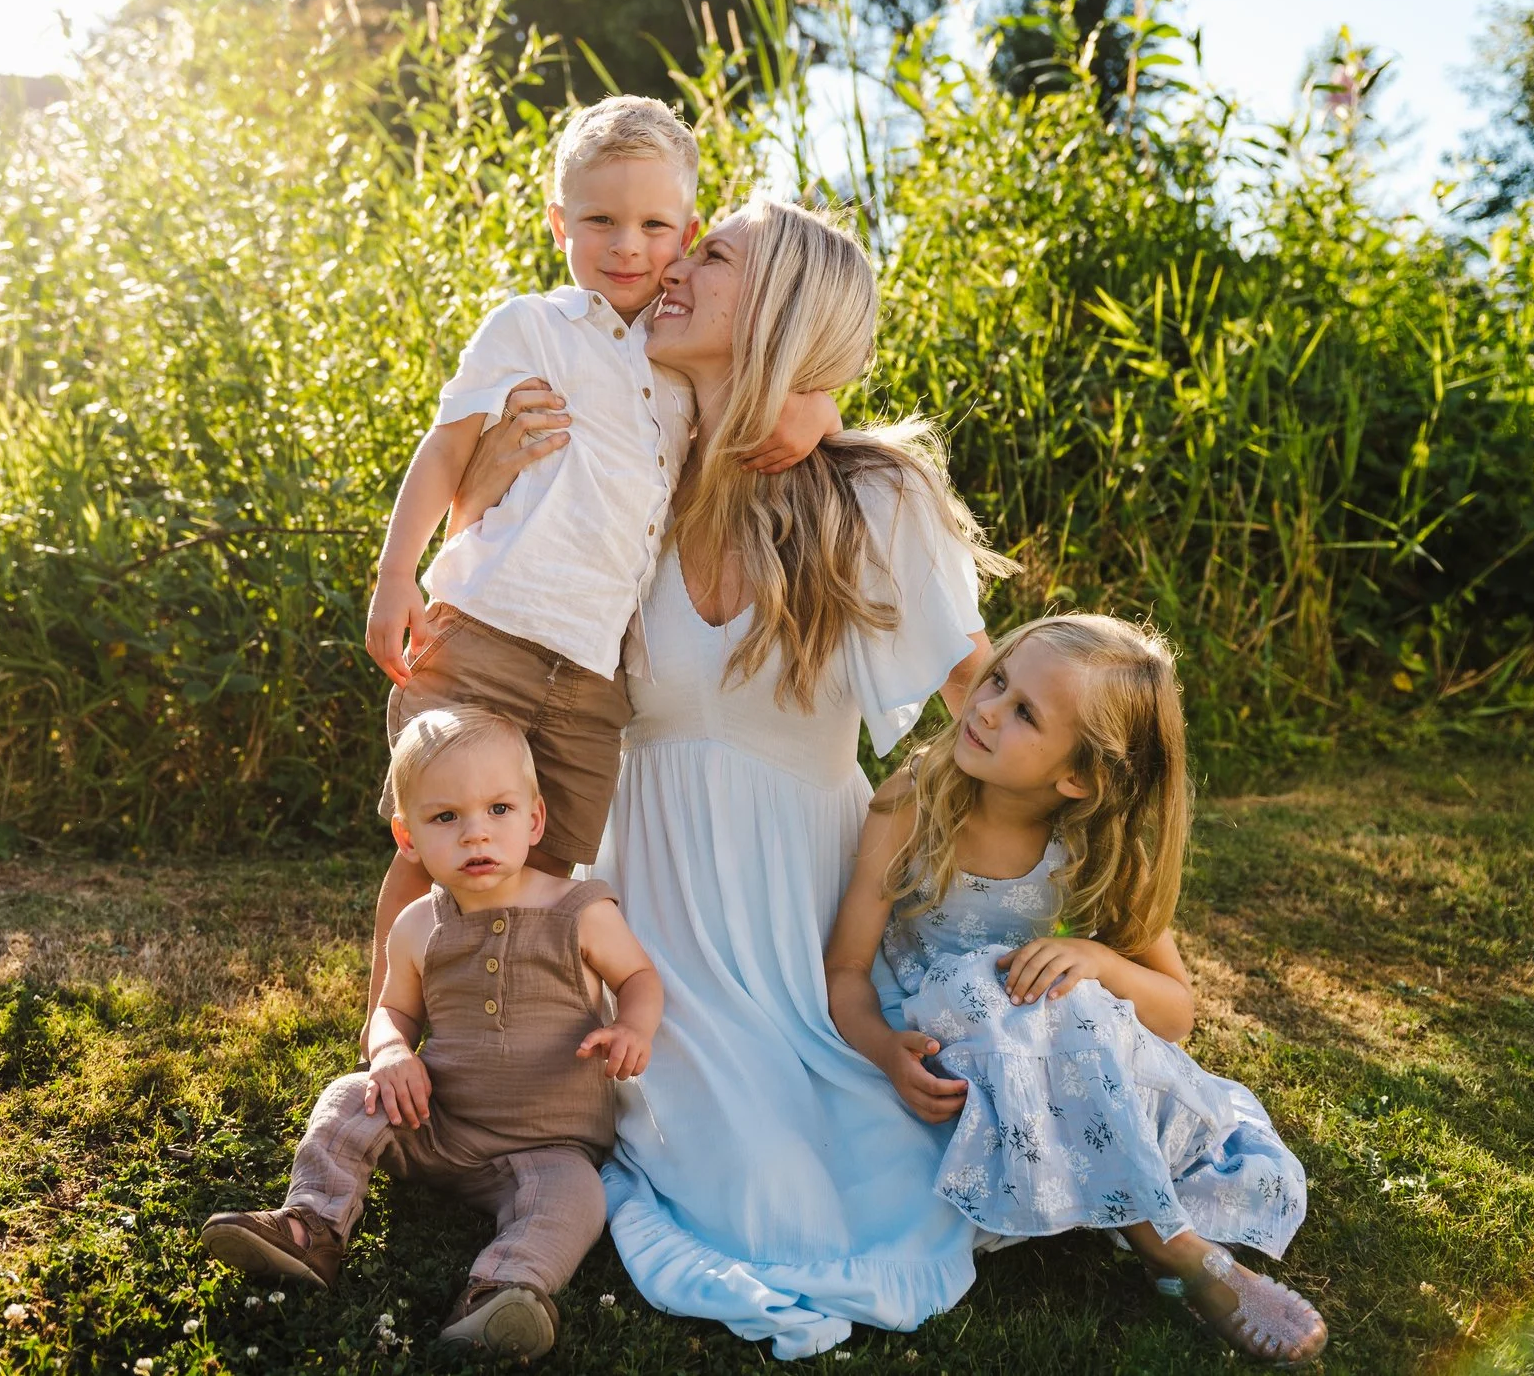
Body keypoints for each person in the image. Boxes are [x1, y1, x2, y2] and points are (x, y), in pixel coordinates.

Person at [582, 195, 1013, 1359]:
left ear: (776, 307)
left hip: (808, 915)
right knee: (747, 1173)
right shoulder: (627, 459)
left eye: (708, 254)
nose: (667, 264)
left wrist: (1080, 847)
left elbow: (982, 696)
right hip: (653, 914)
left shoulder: (870, 495)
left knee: (872, 1161)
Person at [359, 95, 836, 1017]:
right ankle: (388, 1024)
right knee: (437, 844)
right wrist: (394, 578)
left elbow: (778, 400)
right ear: (558, 225)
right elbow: (444, 449)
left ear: (689, 233)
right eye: (600, 220)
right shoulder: (531, 327)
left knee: (543, 865)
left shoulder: (680, 359)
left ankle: (498, 1036)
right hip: (486, 628)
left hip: (590, 675)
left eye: (655, 225)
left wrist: (819, 409)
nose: (627, 245)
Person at [824, 614, 1327, 1367]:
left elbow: (1176, 1010)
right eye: (997, 678)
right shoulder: (914, 801)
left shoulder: (1090, 846)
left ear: (1077, 778)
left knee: (1072, 1001)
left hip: (1050, 1043)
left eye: (1024, 711)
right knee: (1023, 1002)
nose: (987, 706)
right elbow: (844, 971)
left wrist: (1097, 957)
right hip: (944, 1038)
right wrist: (882, 1048)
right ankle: (1180, 1253)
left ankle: (1165, 1241)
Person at [200, 705, 663, 1361]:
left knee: (577, 1195)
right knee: (346, 1098)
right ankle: (311, 1227)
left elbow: (639, 975)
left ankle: (502, 1288)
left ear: (534, 818)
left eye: (499, 809)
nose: (477, 834)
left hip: (547, 1147)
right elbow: (394, 1010)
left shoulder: (578, 910)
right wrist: (390, 1050)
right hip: (435, 1124)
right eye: (446, 817)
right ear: (409, 835)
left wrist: (631, 1026)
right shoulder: (419, 924)